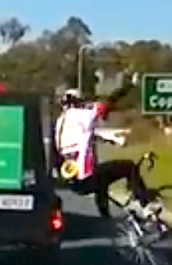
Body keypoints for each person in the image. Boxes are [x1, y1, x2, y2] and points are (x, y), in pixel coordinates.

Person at [53, 74, 159, 219]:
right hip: (86, 177)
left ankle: (106, 217)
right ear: (79, 102)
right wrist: (129, 86)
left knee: (102, 180)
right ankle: (144, 204)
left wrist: (111, 139)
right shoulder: (84, 115)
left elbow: (85, 137)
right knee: (129, 166)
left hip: (72, 181)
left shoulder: (60, 123)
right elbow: (109, 101)